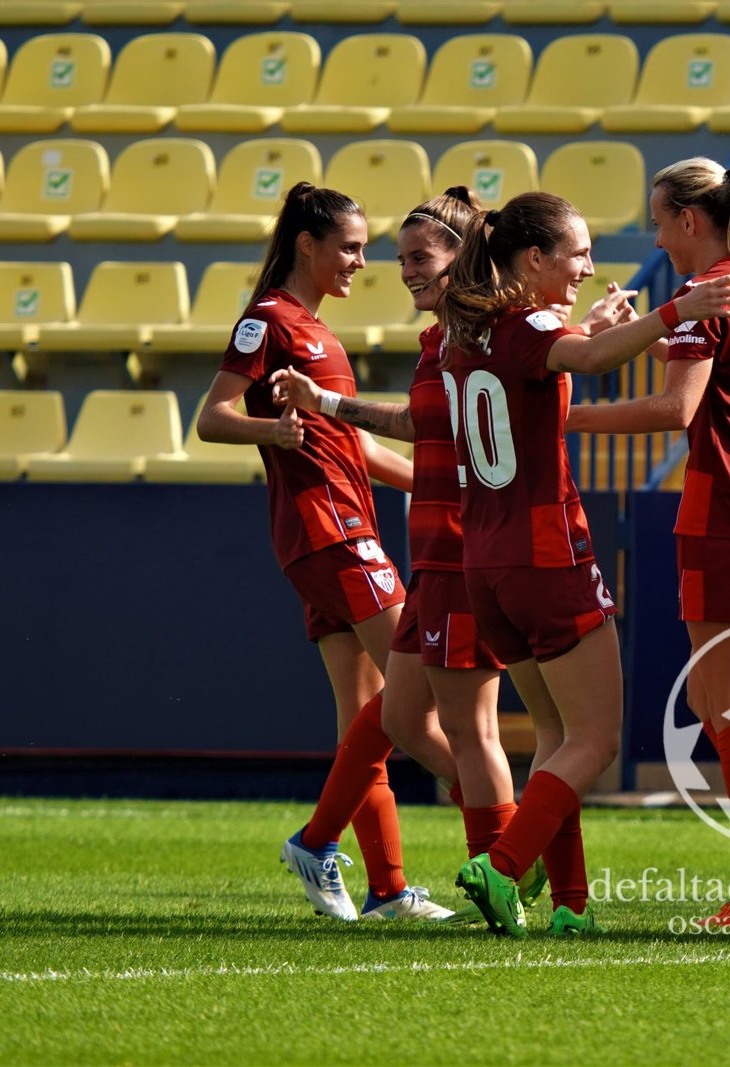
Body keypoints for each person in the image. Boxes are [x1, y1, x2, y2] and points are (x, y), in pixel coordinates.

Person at [271, 187, 604, 926]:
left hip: (470, 550)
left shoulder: (488, 336)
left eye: (420, 257)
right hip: (448, 552)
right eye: (402, 259)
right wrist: (327, 408)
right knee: (408, 712)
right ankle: (498, 862)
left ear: (466, 258)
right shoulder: (445, 343)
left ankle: (505, 865)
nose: (405, 271)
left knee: (472, 725)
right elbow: (422, 427)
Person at [440, 192, 730, 938]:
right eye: (577, 253)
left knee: (554, 736)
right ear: (534, 259)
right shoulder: (530, 325)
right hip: (547, 555)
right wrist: (681, 310)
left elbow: (557, 354)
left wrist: (596, 329)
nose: (588, 265)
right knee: (597, 740)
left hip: (485, 560)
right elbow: (577, 353)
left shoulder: (465, 332)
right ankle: (503, 862)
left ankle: (571, 904)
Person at [196, 182, 451, 921]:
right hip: (328, 531)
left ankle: (387, 887)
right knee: (419, 692)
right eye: (349, 246)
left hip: (338, 527)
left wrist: (447, 480)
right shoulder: (269, 321)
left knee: (366, 711)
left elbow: (358, 446)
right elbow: (211, 418)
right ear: (307, 244)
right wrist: (270, 432)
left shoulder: (318, 330)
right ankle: (501, 825)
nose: (362, 262)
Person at [564, 158, 730, 930]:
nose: (658, 234)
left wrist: (566, 419)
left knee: (728, 703)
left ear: (691, 221)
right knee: (720, 700)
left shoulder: (709, 296)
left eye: (662, 219)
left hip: (728, 507)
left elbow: (678, 407)